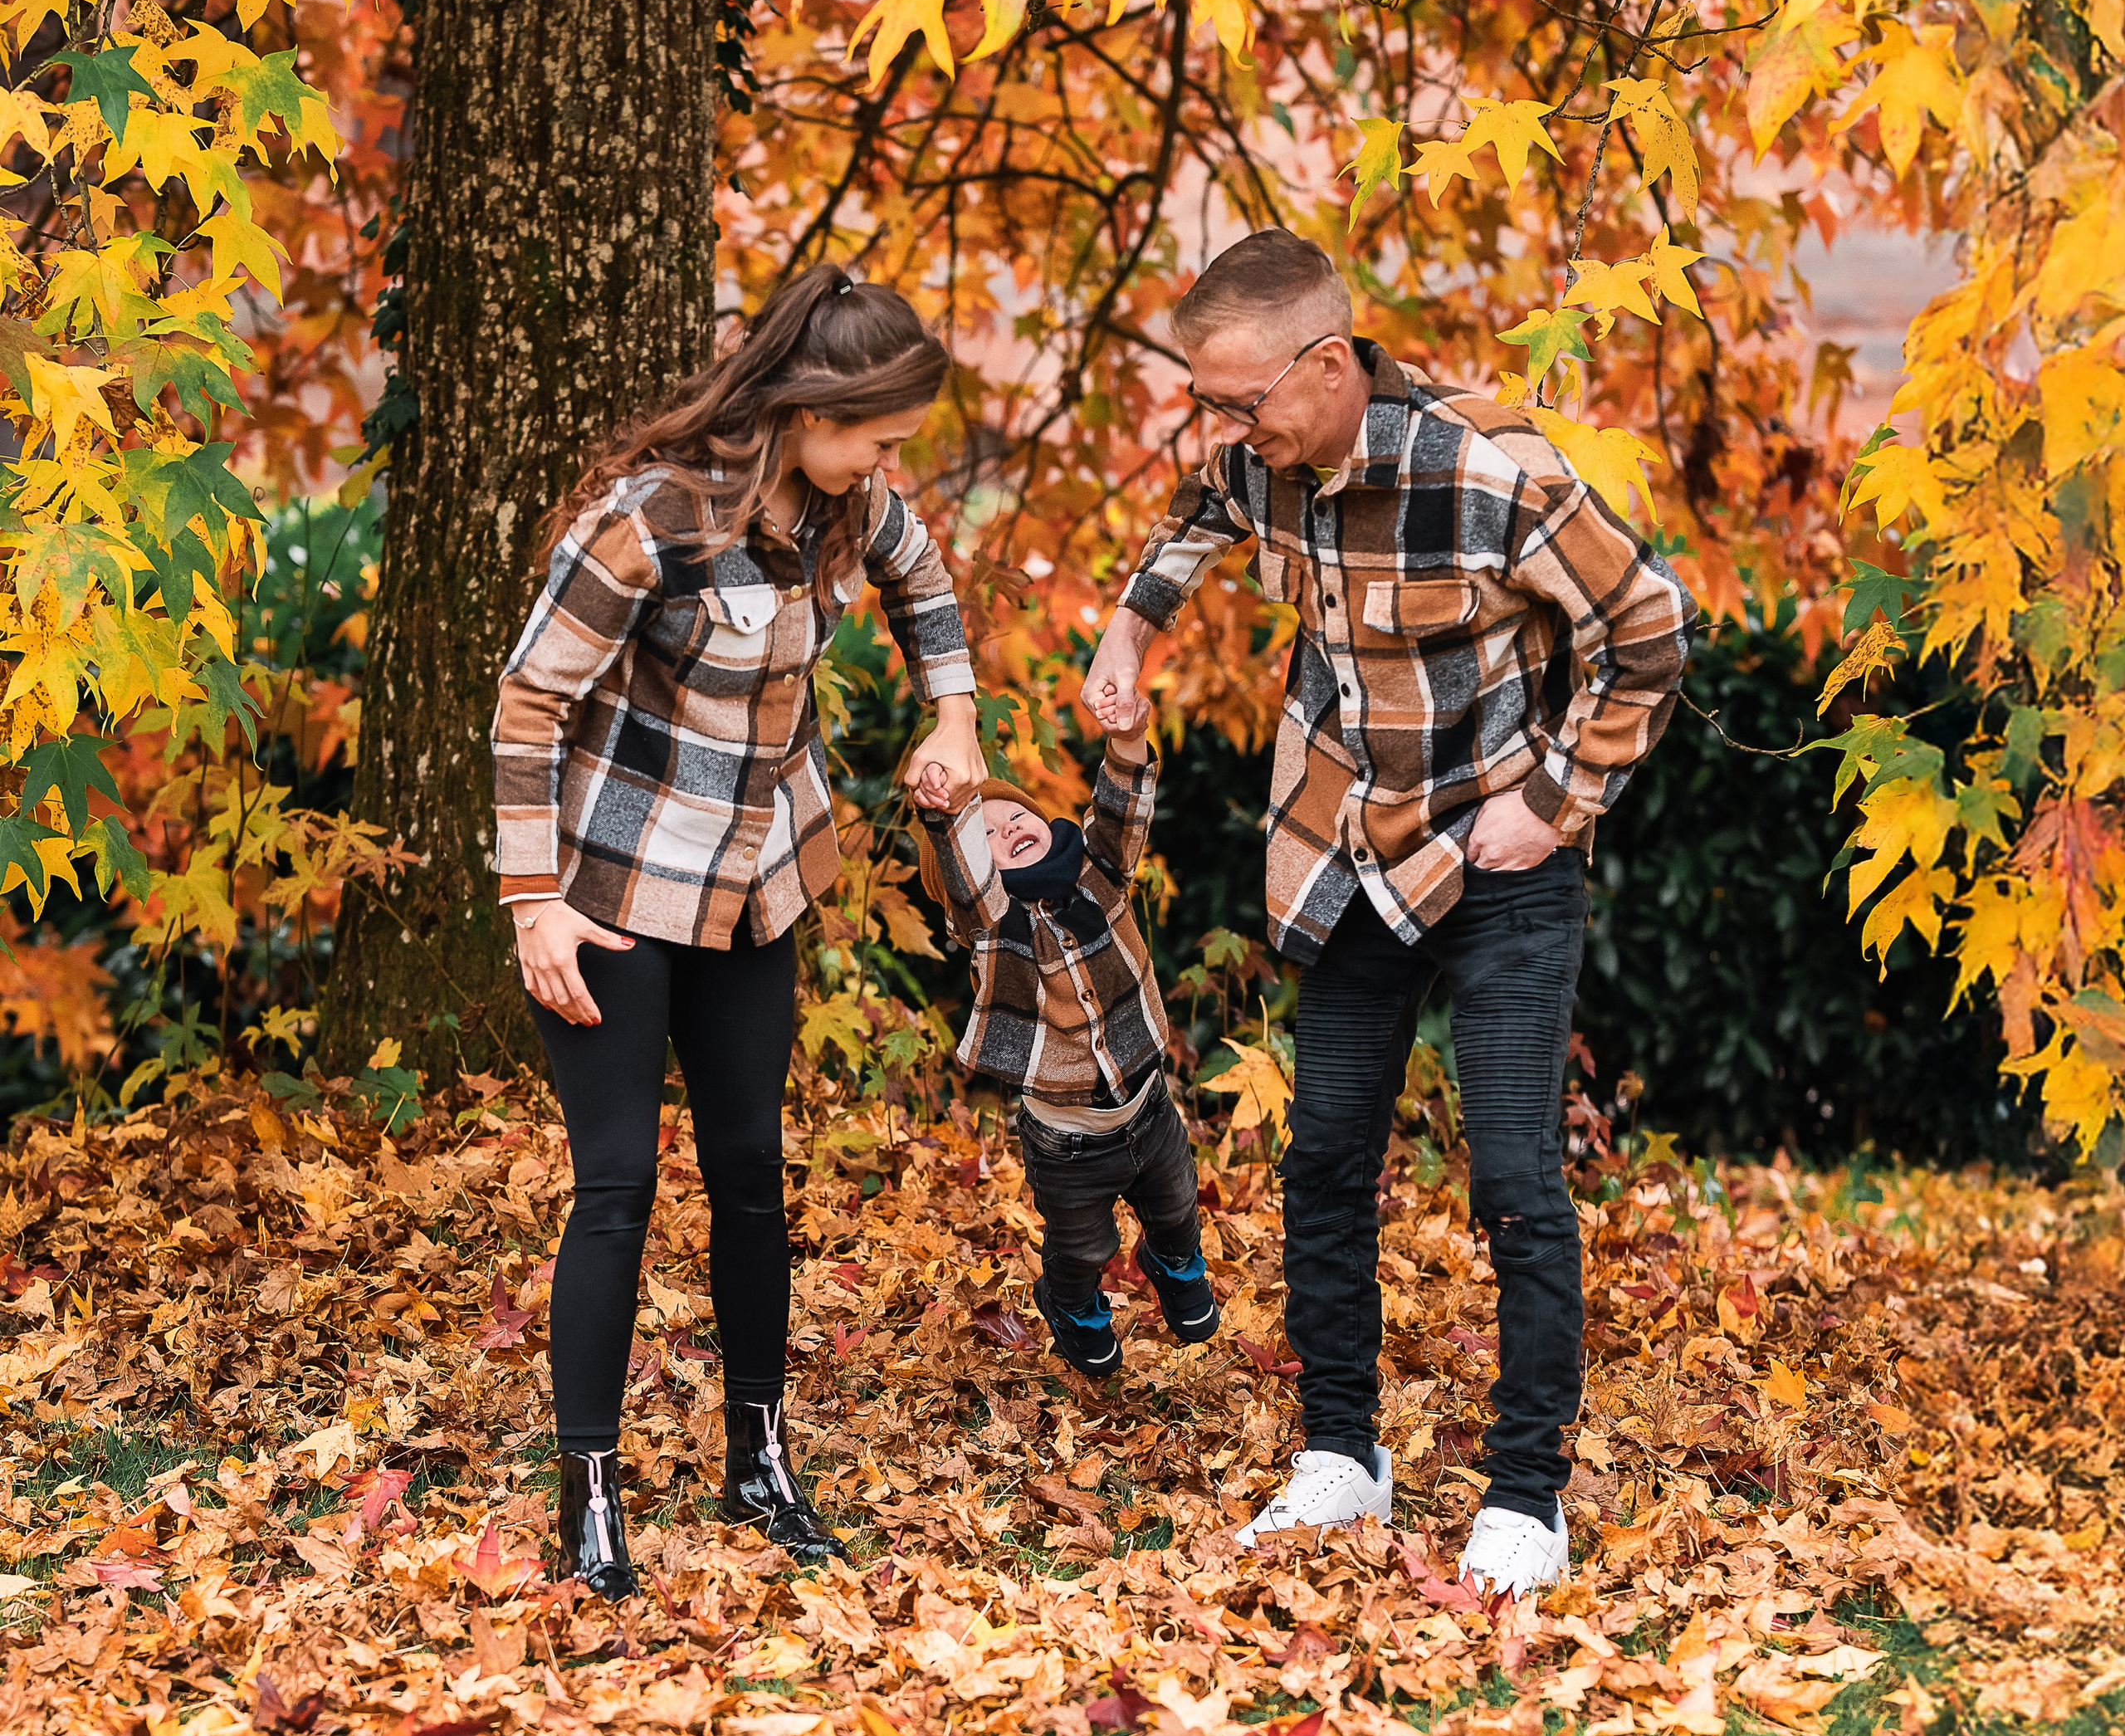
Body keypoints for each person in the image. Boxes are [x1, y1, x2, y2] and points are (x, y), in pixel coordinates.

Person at [1082, 229, 1695, 1594]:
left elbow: (1646, 627)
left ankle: (1527, 1496)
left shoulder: (1490, 473)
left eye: (1242, 401)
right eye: (1213, 406)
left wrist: (1557, 800)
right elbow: (1194, 518)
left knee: (1516, 1179)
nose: (1227, 431)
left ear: (1330, 363)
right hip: (1343, 857)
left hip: (1500, 862)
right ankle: (1342, 1458)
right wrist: (1131, 634)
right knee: (1324, 1163)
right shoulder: (1261, 461)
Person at [492, 265, 981, 1598]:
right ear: (812, 408)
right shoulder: (649, 525)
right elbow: (528, 706)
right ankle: (588, 1499)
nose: (891, 466)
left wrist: (956, 717)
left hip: (757, 880)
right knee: (617, 1189)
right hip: (615, 887)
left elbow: (926, 583)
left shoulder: (847, 503)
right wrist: (535, 902)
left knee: (752, 1168)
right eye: (879, 437)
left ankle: (757, 1460)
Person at [911, 692, 1217, 1379]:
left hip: (1149, 1107)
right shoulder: (993, 926)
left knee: (1176, 1207)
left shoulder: (1097, 875)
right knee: (1083, 1245)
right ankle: (1071, 1303)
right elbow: (965, 883)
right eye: (985, 833)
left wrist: (1129, 739)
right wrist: (942, 813)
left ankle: (1171, 1260)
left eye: (1016, 814)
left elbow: (1120, 812)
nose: (1010, 828)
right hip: (1068, 1141)